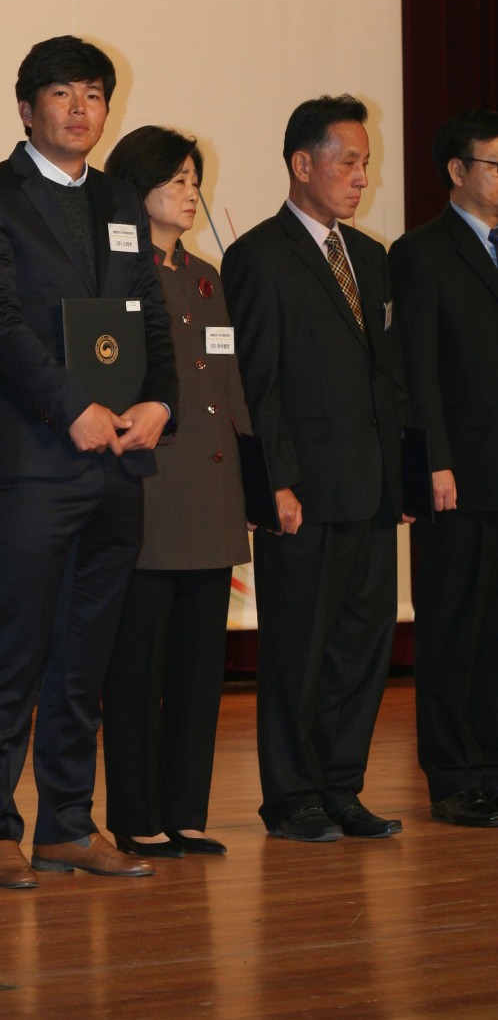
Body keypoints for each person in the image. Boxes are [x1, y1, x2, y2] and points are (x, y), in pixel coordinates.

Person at [0, 36, 177, 888]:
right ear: (26, 107)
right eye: (62, 93)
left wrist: (161, 401)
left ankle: (69, 824)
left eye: (93, 94)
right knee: (18, 646)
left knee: (87, 653)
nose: (81, 109)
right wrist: (71, 406)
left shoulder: (119, 198)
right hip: (35, 454)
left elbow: (149, 311)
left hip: (118, 458)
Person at [221, 94, 408, 842]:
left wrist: (400, 475)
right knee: (297, 650)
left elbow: (386, 378)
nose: (362, 177)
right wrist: (275, 482)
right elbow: (255, 384)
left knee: (361, 648)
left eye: (366, 163)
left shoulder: (371, 257)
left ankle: (341, 787)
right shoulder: (258, 255)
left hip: (370, 486)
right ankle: (291, 796)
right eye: (349, 162)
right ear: (303, 164)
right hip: (302, 489)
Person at [100, 127, 250, 858]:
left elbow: (230, 389)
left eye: (195, 179)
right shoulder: (117, 272)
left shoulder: (206, 275)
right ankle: (136, 814)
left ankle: (186, 811)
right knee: (137, 669)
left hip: (212, 495)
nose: (192, 192)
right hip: (152, 493)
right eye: (177, 179)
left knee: (198, 669)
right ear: (137, 187)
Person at [389, 110, 498, 828]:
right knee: (455, 627)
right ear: (457, 171)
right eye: (496, 164)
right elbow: (416, 368)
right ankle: (455, 777)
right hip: (459, 473)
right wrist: (434, 461)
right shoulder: (423, 251)